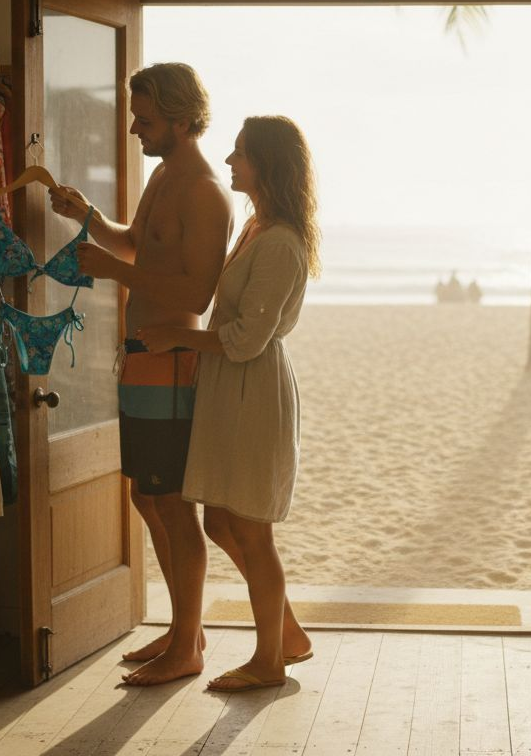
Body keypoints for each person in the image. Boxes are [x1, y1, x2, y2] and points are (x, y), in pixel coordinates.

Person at [48, 62, 231, 686]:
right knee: (147, 496)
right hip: (144, 360)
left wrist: (113, 270)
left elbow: (198, 292)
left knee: (172, 504)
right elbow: (138, 245)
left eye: (145, 119)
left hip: (173, 364)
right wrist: (89, 217)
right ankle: (185, 632)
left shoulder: (204, 191)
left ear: (181, 120)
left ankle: (187, 645)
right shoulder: (164, 176)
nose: (134, 129)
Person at [137, 115, 318, 693]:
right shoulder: (257, 227)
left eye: (240, 153)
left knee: (252, 531)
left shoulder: (282, 242)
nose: (230, 160)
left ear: (267, 164)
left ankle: (269, 660)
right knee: (219, 520)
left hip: (252, 392)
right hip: (227, 388)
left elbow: (246, 339)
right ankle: (288, 632)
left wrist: (177, 338)